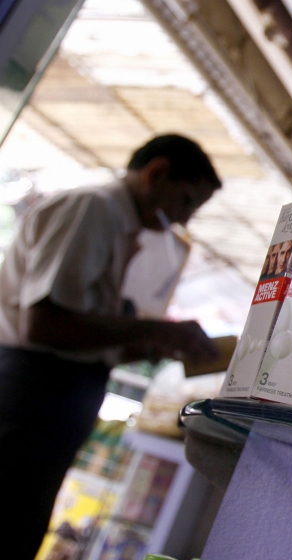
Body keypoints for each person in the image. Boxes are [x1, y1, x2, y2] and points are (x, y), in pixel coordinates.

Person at [0, 134, 221, 559]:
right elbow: (45, 324)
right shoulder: (94, 208)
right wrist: (157, 331)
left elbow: (88, 336)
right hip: (31, 392)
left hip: (51, 399)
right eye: (185, 201)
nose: (181, 221)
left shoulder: (118, 228)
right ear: (155, 173)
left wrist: (155, 344)